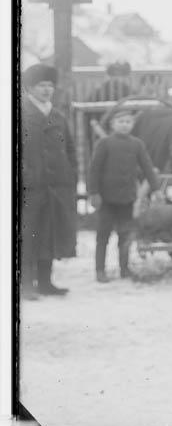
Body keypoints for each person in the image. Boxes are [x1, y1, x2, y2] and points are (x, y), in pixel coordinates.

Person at [20, 63, 77, 299]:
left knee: (49, 234)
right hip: (29, 188)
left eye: (50, 85)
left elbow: (71, 152)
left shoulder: (58, 116)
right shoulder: (21, 114)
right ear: (29, 88)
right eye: (41, 85)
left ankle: (45, 282)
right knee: (28, 235)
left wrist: (70, 176)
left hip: (56, 187)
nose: (46, 90)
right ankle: (25, 285)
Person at [88, 107, 162, 282]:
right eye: (120, 122)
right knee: (103, 236)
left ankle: (124, 268)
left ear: (133, 125)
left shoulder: (137, 144)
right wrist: (94, 193)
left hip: (127, 198)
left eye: (128, 122)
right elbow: (94, 170)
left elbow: (147, 168)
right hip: (106, 199)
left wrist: (156, 188)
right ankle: (100, 270)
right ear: (113, 124)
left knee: (125, 235)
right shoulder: (104, 144)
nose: (124, 125)